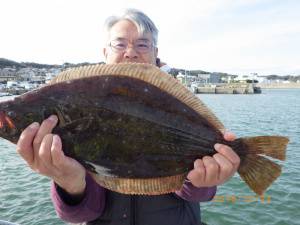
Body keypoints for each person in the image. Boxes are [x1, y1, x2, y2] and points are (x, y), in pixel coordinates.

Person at [16, 9, 240, 225]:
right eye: (120, 44)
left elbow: (196, 194)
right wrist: (70, 183)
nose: (131, 52)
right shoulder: (78, 102)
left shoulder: (177, 104)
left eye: (142, 44)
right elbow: (80, 214)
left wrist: (201, 180)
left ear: (155, 54)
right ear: (105, 53)